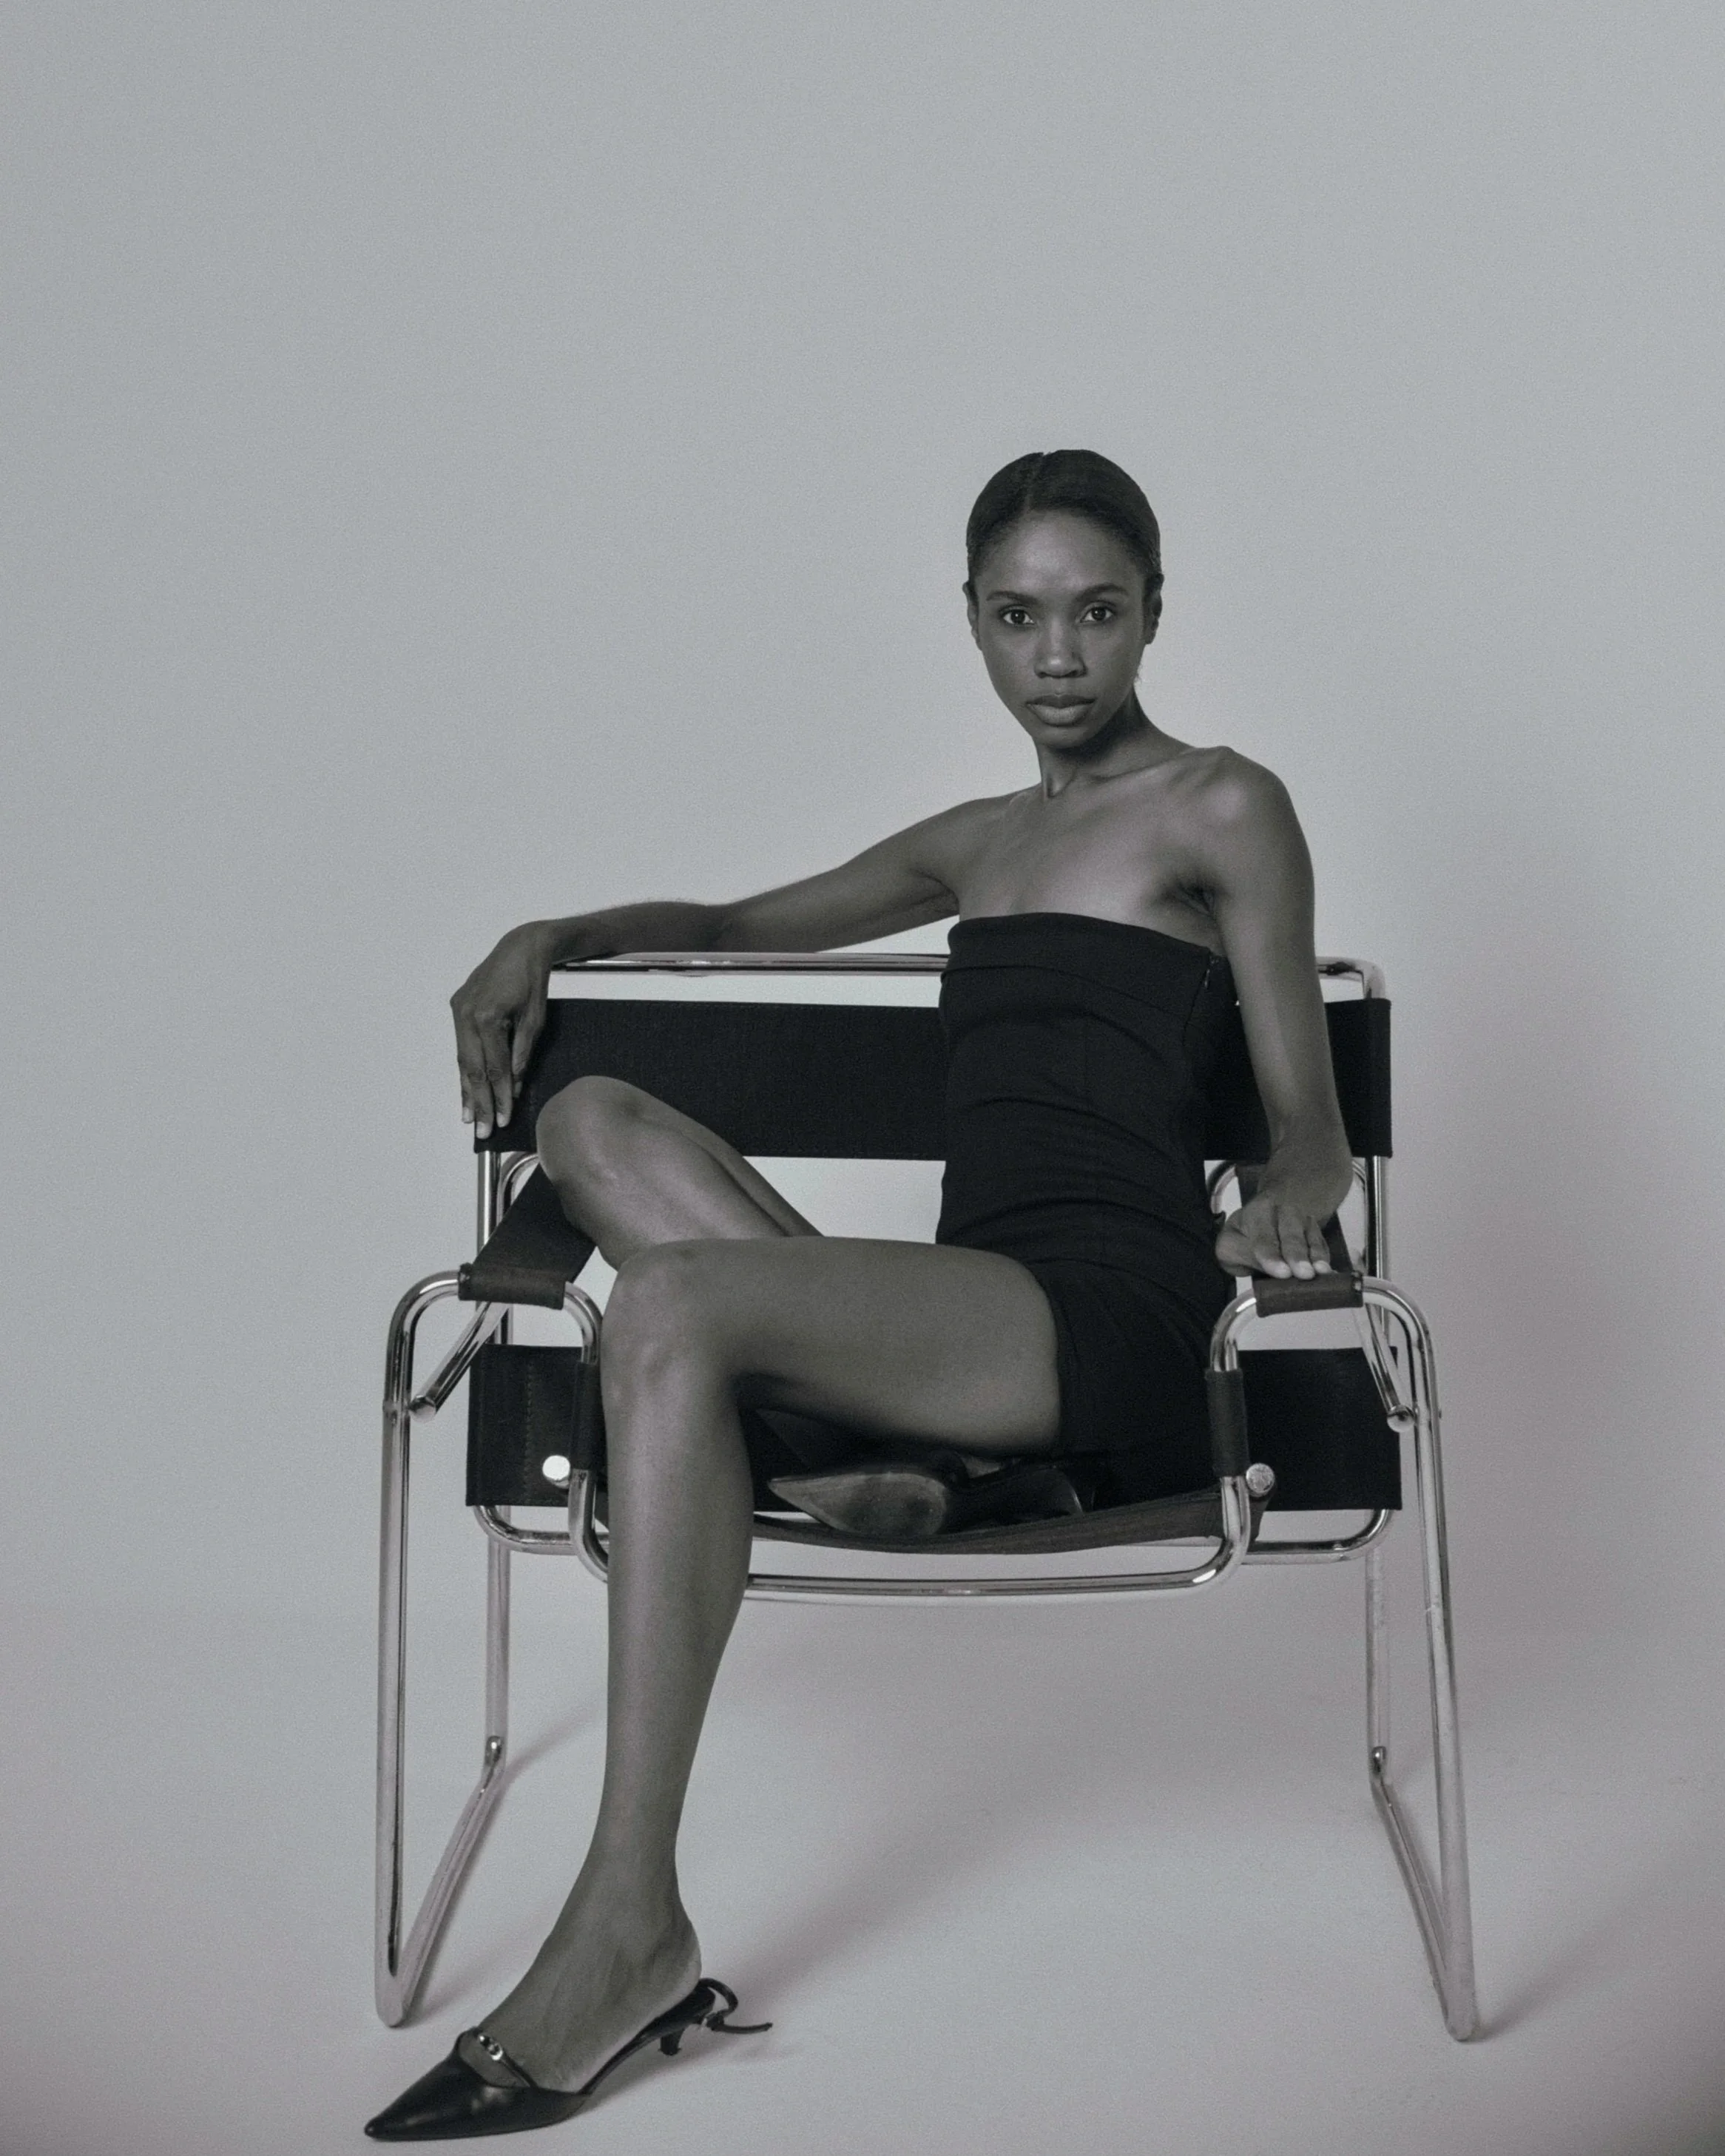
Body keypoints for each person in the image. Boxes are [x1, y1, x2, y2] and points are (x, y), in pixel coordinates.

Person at [365, 450, 1353, 2139]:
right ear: (969, 621)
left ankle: (627, 1921)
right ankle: (866, 1462)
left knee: (670, 1308)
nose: (1059, 656)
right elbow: (734, 922)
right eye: (1019, 617)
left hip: (1108, 1317)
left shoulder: (1222, 805)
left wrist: (1283, 1197)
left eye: (1097, 612)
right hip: (967, 1309)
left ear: (1153, 616)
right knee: (586, 1121)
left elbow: (1311, 1124)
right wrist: (552, 929)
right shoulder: (976, 841)